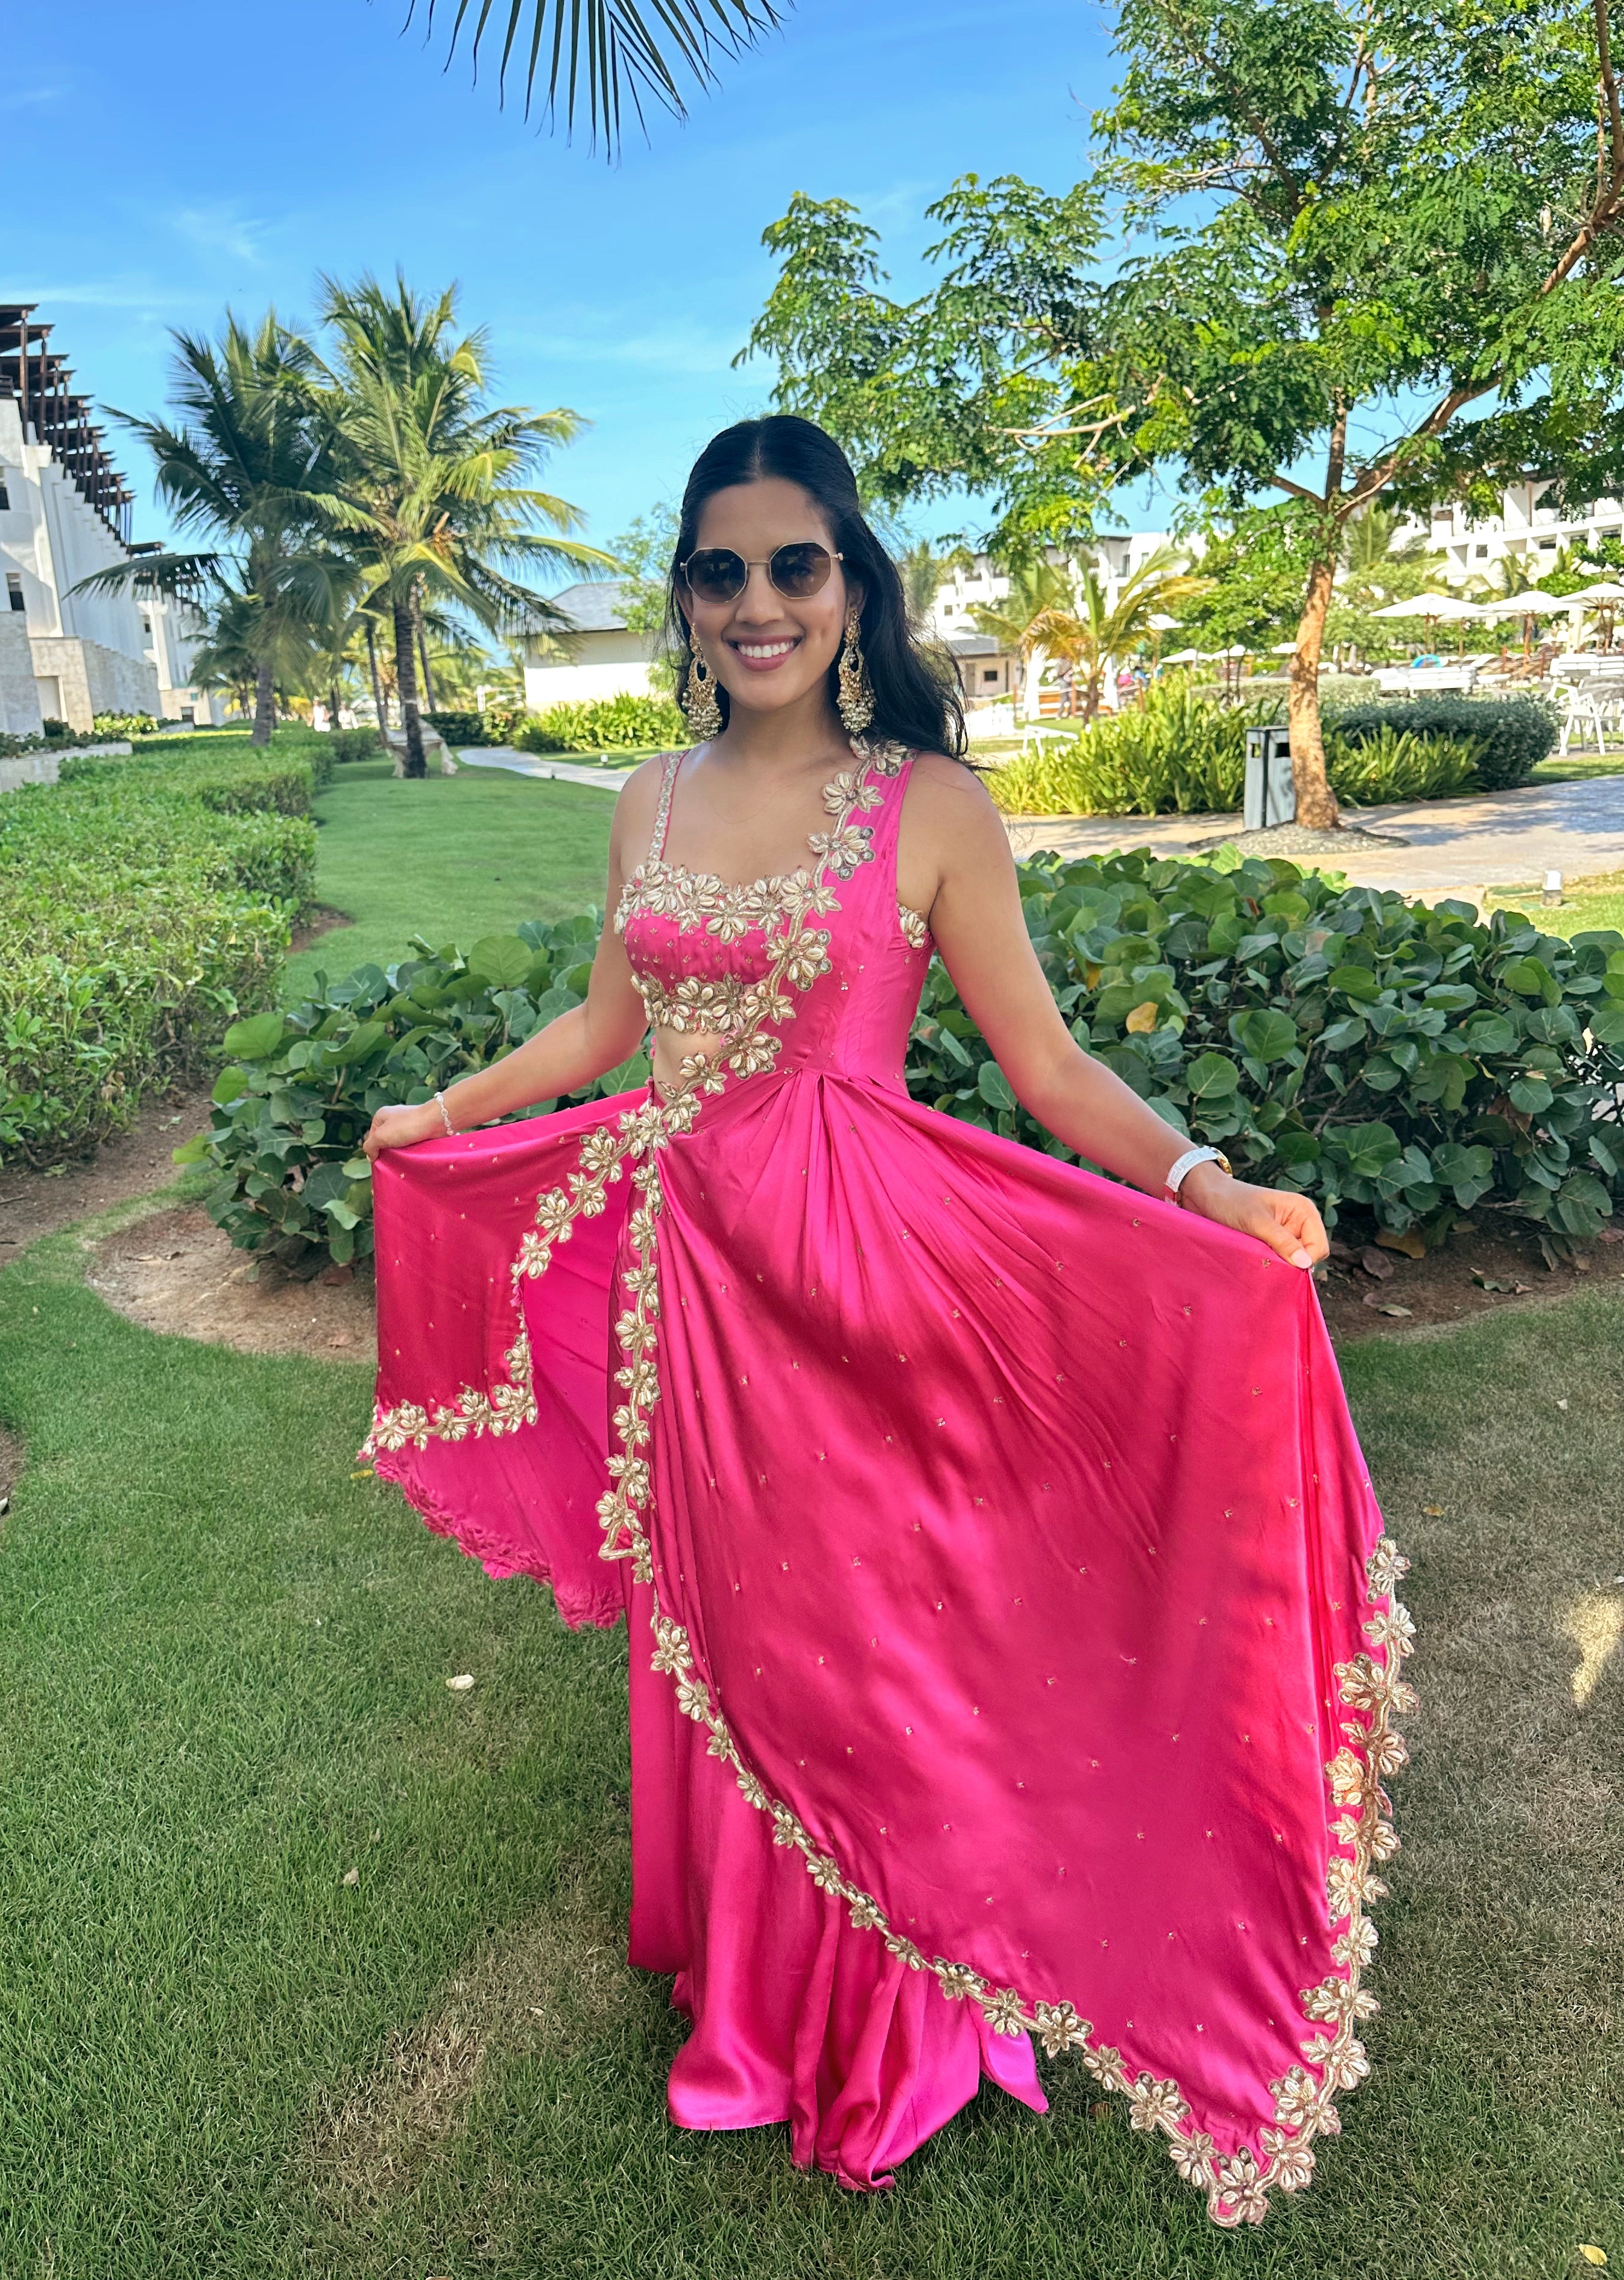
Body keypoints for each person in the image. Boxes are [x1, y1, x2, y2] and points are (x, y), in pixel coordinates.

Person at [361, 416, 1413, 2228]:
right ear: (684, 601)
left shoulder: (928, 804)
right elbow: (603, 1033)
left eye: (795, 565)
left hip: (871, 1282)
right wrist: (449, 1115)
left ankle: (901, 2013)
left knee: (873, 1647)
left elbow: (1051, 1064)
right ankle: (750, 1997)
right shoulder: (649, 804)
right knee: (732, 1626)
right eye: (720, 570)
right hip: (698, 1299)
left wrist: (1210, 1185)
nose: (758, 604)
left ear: (851, 586)